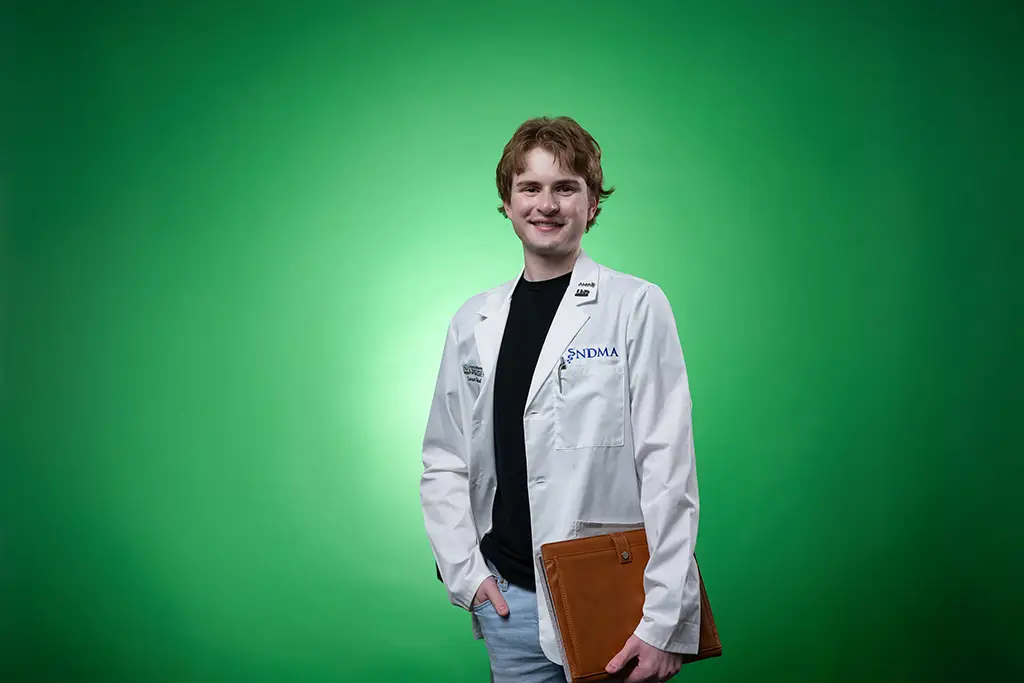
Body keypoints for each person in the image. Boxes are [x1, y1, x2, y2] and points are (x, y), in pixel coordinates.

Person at [419, 115, 701, 683]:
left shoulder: (636, 306)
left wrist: (665, 620)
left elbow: (667, 467)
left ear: (592, 203)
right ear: (508, 201)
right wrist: (468, 575)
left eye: (565, 187)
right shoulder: (474, 320)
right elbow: (445, 458)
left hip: (617, 602)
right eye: (530, 187)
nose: (546, 204)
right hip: (511, 604)